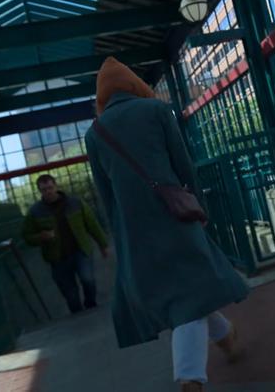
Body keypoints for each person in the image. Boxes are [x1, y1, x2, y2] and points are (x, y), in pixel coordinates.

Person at [85, 57, 249, 392]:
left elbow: (106, 195)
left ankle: (225, 336)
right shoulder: (156, 112)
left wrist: (120, 236)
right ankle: (190, 377)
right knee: (188, 288)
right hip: (174, 215)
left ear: (102, 96)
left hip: (134, 228)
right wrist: (198, 207)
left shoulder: (95, 133)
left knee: (181, 289)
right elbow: (183, 165)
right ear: (134, 85)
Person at [22, 174, 109, 314]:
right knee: (70, 294)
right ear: (40, 191)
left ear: (56, 186)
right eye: (44, 189)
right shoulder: (35, 212)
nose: (48, 192)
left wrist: (102, 244)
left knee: (88, 279)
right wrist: (41, 236)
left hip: (81, 250)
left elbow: (92, 224)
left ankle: (91, 305)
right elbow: (27, 237)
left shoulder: (75, 203)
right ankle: (78, 315)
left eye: (50, 188)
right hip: (58, 258)